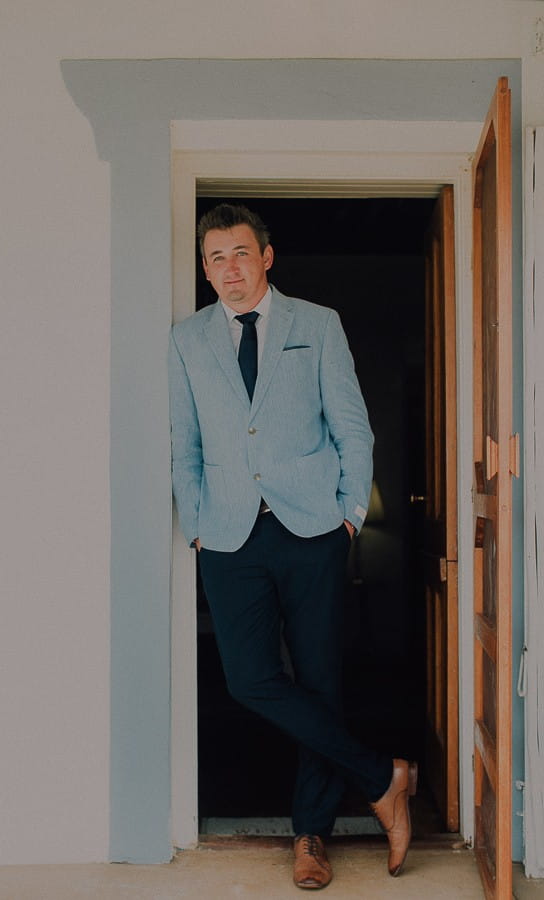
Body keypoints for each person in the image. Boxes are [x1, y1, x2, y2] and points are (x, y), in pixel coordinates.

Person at [168, 203, 416, 890]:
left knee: (319, 679)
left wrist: (348, 515)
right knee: (249, 678)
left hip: (312, 527)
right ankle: (383, 777)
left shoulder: (318, 324)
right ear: (205, 266)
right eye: (215, 257)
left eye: (241, 253)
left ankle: (311, 836)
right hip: (226, 531)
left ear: (267, 256)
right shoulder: (186, 340)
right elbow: (181, 442)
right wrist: (194, 522)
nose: (229, 269)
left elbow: (352, 428)